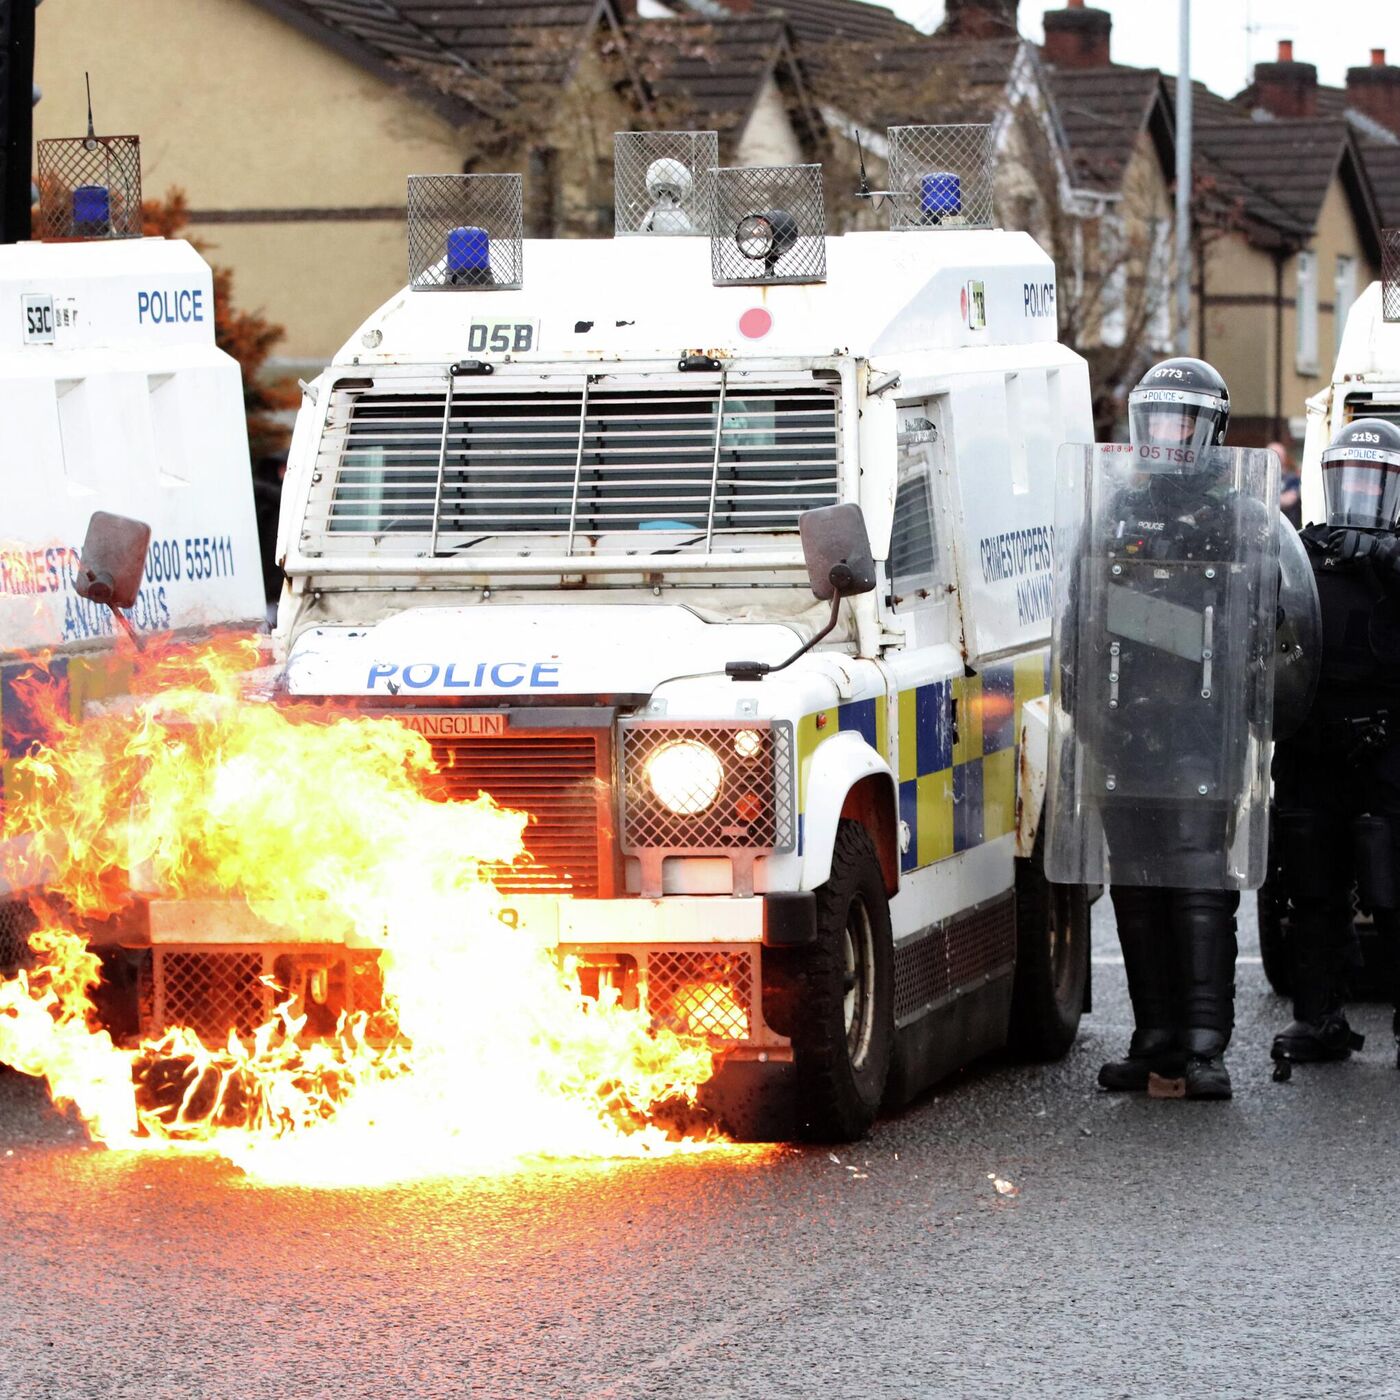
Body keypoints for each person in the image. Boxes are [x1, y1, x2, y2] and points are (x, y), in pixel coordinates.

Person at [1094, 357, 1247, 1100]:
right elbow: (1082, 610)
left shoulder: (1235, 517)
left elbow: (1259, 625)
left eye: (1181, 421)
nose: (1166, 435)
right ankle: (1153, 1034)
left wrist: (1150, 611)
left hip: (1200, 729)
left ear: (1211, 430)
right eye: (1156, 420)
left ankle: (1205, 1043)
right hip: (1124, 728)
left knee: (1196, 883)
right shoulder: (1115, 513)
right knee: (1137, 884)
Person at [1271, 416, 1400, 1073]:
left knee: (1392, 887)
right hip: (1312, 746)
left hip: (1386, 749)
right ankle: (1317, 1016)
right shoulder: (1301, 554)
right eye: (1350, 479)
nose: (1361, 494)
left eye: (1376, 483)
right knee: (1311, 889)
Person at [1269, 440, 1303, 530]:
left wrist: (1270, 500)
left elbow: (1290, 499)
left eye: (1278, 455)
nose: (1275, 458)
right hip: (1267, 526)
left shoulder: (1292, 478)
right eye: (1272, 454)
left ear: (1284, 456)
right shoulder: (1263, 478)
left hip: (1288, 528)